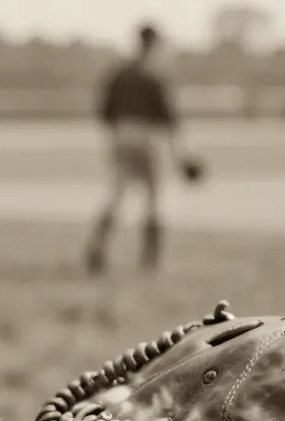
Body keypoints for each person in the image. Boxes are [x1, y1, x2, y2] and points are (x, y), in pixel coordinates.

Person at [84, 23, 197, 276]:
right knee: (156, 198)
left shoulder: (118, 74)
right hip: (149, 137)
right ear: (155, 45)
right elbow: (171, 121)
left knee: (116, 196)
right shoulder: (155, 76)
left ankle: (97, 245)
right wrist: (183, 155)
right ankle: (150, 262)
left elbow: (104, 113)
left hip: (120, 136)